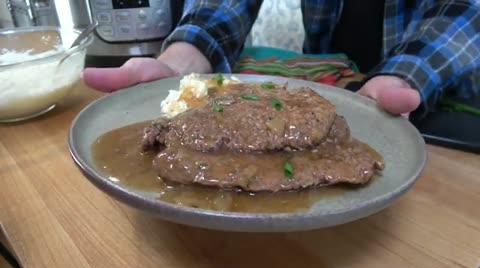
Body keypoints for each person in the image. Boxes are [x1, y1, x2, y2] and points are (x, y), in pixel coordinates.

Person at [82, 0, 480, 119]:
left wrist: (403, 77)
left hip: (445, 100)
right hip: (337, 90)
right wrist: (183, 62)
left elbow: (466, 11)